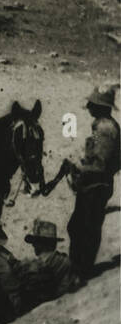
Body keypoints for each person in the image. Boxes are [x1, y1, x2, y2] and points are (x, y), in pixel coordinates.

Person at [64, 85, 120, 277]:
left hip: (96, 187)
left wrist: (78, 167)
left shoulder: (105, 129)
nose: (88, 106)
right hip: (93, 186)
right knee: (80, 226)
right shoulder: (101, 125)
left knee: (84, 228)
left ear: (100, 106)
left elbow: (101, 166)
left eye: (92, 103)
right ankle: (79, 269)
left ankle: (81, 271)